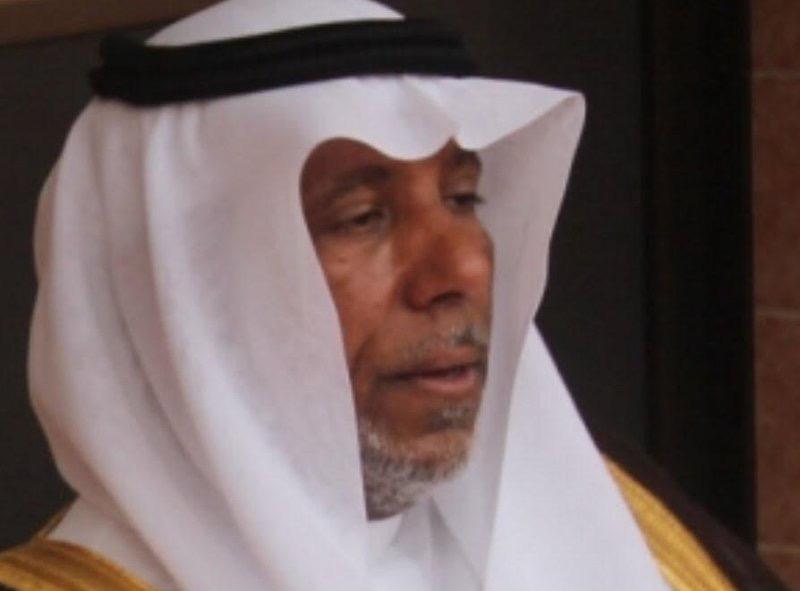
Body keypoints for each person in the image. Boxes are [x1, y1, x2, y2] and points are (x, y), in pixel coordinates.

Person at [0, 1, 781, 590]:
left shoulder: (625, 521)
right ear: (192, 297)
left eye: (463, 198)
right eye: (363, 218)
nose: (461, 269)